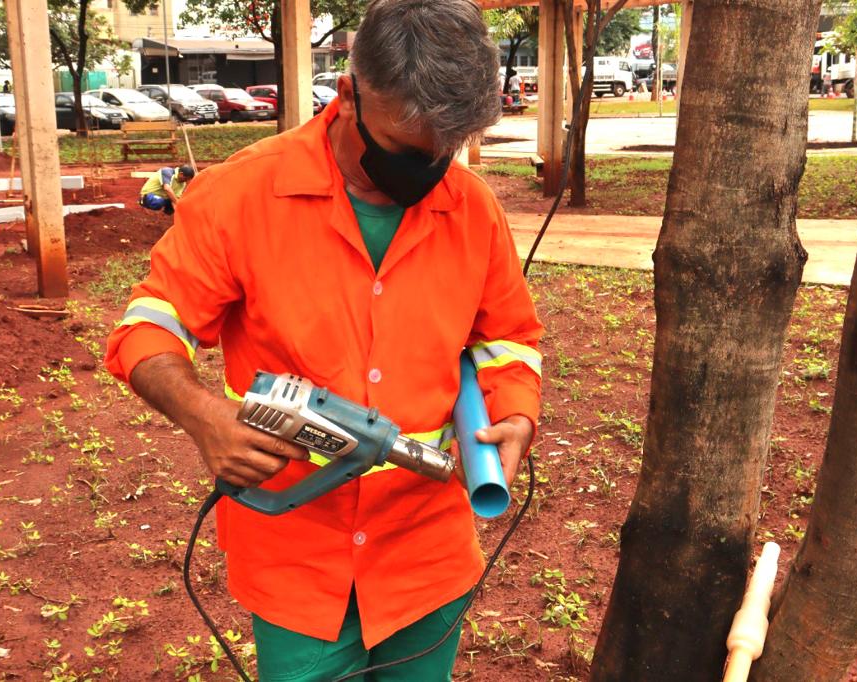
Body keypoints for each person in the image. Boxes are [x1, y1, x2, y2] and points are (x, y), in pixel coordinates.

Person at [104, 1, 542, 680]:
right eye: (404, 151)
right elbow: (149, 327)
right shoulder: (241, 195)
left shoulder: (470, 207)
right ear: (349, 95)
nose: (425, 174)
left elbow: (506, 337)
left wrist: (514, 409)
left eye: (442, 153)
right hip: (296, 552)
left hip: (427, 552)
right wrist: (203, 417)